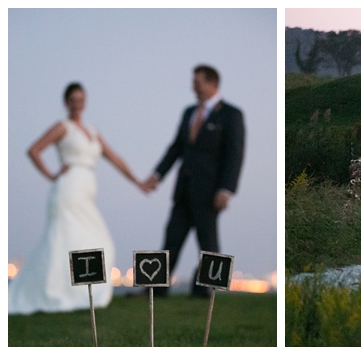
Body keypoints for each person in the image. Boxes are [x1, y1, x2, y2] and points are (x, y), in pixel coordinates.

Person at [8, 83, 149, 314]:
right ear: (66, 103)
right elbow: (33, 150)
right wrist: (51, 175)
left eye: (81, 99)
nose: (77, 103)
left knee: (101, 243)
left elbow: (115, 159)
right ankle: (52, 294)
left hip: (86, 194)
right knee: (61, 243)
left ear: (85, 102)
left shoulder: (92, 131)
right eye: (73, 99)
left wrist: (138, 182)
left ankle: (81, 294)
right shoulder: (62, 127)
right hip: (67, 192)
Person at [143, 65, 245, 298]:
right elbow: (176, 149)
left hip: (210, 192)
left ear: (212, 84)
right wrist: (157, 175)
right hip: (183, 190)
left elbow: (235, 155)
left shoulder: (230, 115)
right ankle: (156, 290)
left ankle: (204, 291)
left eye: (197, 83)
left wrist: (226, 189)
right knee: (171, 240)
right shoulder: (189, 112)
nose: (193, 87)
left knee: (208, 243)